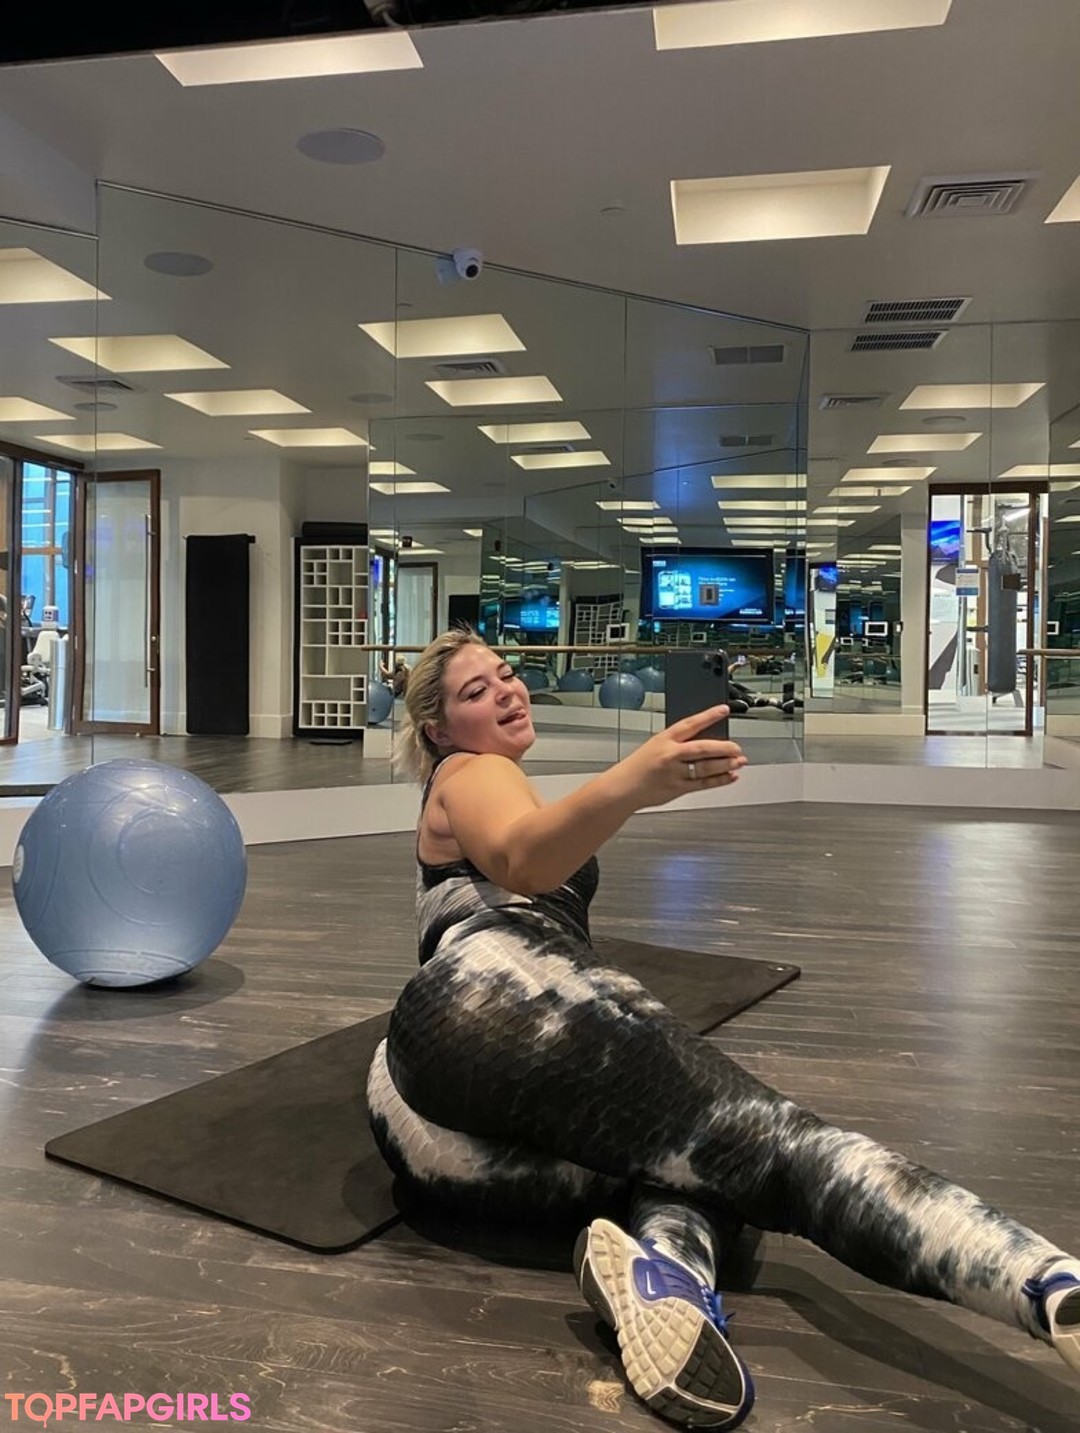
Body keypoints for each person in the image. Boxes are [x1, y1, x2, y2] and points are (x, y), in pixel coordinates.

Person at [367, 628, 1080, 1430]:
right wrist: (633, 782)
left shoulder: (486, 779)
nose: (506, 689)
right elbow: (522, 861)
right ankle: (1046, 1283)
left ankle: (667, 1273)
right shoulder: (474, 770)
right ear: (436, 729)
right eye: (476, 691)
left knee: (696, 1164)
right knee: (778, 1148)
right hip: (494, 993)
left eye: (506, 673)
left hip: (431, 1111)